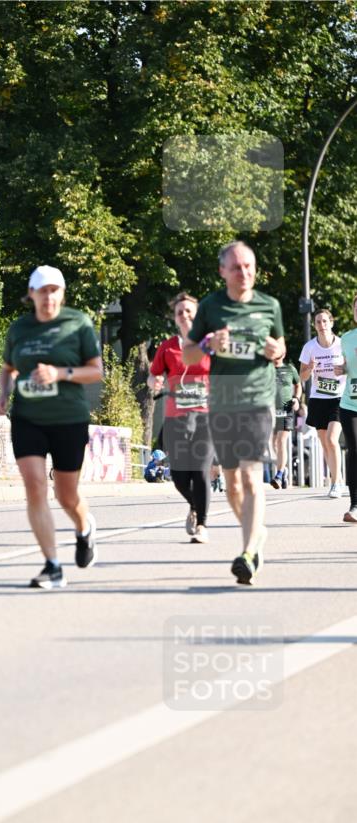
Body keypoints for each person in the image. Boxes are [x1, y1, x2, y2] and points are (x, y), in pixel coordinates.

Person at [183, 241, 286, 584]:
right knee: (231, 485)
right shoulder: (211, 306)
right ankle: (257, 533)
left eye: (249, 266)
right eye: (237, 267)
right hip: (222, 403)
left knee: (251, 475)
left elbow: (281, 347)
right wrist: (207, 345)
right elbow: (187, 357)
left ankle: (248, 554)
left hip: (257, 400)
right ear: (223, 271)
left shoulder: (269, 305)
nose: (244, 273)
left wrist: (276, 351)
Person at [0, 265, 103, 589]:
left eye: (54, 290)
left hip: (69, 418)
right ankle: (52, 565)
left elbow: (96, 371)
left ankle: (85, 528)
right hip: (28, 417)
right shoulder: (19, 329)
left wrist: (60, 374)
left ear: (62, 293)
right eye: (42, 291)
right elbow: (7, 368)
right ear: (31, 294)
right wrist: (3, 393)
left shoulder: (78, 324)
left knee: (66, 495)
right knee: (35, 486)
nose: (49, 297)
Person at [148, 292, 212, 542]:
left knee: (202, 472)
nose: (184, 315)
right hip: (177, 419)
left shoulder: (209, 344)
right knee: (180, 477)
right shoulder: (167, 347)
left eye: (189, 311)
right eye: (179, 312)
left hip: (207, 416)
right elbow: (152, 375)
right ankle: (195, 506)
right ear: (174, 318)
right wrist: (156, 381)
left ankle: (203, 526)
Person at [299, 309, 347, 498]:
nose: (322, 325)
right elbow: (302, 376)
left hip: (338, 397)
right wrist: (309, 369)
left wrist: (342, 369)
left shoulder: (342, 345)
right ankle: (339, 478)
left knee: (331, 439)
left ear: (331, 323)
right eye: (318, 322)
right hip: (318, 397)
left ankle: (335, 483)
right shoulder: (309, 347)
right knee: (324, 442)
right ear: (315, 325)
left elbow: (352, 368)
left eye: (325, 321)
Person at [334, 293, 357, 523]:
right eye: (356, 309)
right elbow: (345, 365)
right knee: (354, 449)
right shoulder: (347, 338)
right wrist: (341, 369)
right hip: (350, 402)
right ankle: (354, 505)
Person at [271, 349, 302, 489]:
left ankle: (278, 474)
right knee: (273, 444)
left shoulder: (290, 369)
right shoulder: (265, 368)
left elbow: (298, 385)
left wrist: (296, 398)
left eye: (278, 355)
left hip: (286, 409)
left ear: (283, 354)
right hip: (270, 411)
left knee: (281, 440)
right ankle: (284, 470)